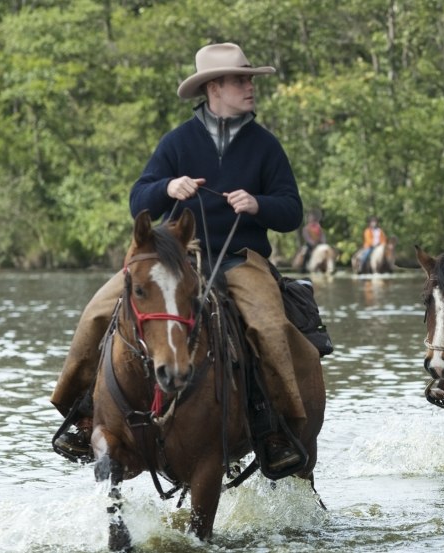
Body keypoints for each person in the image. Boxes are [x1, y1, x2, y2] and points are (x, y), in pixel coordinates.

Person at [50, 43, 320, 474]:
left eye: (249, 79)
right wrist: (167, 188)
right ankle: (82, 414)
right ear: (214, 88)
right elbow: (139, 199)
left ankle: (274, 429)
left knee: (269, 326)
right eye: (240, 80)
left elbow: (291, 211)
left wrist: (258, 204)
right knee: (97, 312)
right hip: (173, 262)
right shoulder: (176, 141)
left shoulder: (266, 145)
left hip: (239, 260)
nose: (250, 87)